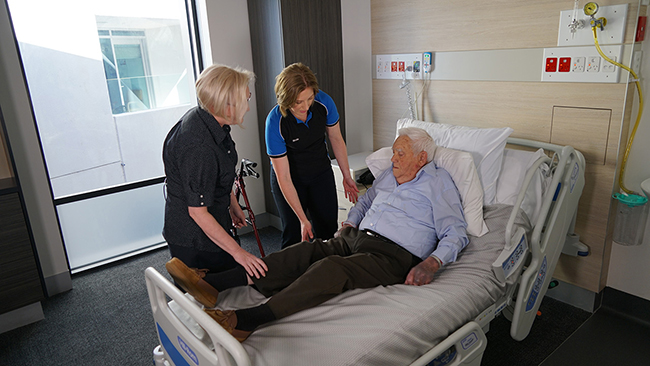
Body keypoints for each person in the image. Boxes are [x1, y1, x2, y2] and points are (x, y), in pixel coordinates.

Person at [166, 127, 468, 342]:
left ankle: (246, 320)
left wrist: (432, 263)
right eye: (393, 153)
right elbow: (365, 201)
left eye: (400, 154)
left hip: (392, 255)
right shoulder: (390, 174)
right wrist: (351, 222)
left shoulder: (438, 184)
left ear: (422, 157)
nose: (392, 159)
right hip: (357, 237)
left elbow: (455, 231)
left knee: (332, 269)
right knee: (304, 251)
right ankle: (214, 284)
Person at [162, 64, 267, 290]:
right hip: (195, 239)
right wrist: (240, 254)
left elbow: (217, 174)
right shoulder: (198, 146)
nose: (248, 108)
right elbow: (198, 213)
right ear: (223, 105)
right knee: (209, 297)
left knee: (230, 291)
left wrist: (232, 204)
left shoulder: (208, 121)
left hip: (213, 221)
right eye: (245, 101)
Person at [265, 63, 359, 248]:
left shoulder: (324, 102)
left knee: (327, 231)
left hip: (320, 172)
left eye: (309, 99)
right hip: (290, 178)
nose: (305, 106)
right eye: (298, 102)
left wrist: (346, 175)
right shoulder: (275, 122)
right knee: (294, 233)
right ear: (285, 99)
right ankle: (292, 275)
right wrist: (302, 218)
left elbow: (336, 138)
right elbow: (283, 176)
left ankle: (326, 272)